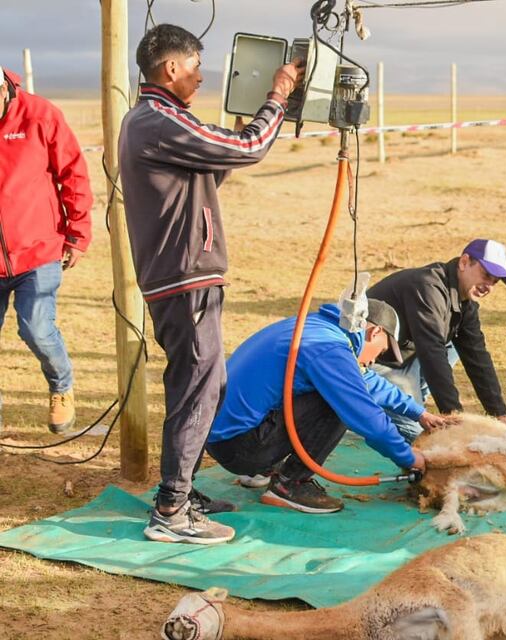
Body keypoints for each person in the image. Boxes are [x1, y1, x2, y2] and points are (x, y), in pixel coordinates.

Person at [120, 24, 303, 544]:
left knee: (202, 384)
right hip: (183, 277)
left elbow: (212, 165)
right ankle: (172, 512)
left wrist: (242, 134)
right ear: (171, 67)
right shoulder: (156, 120)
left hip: (183, 275)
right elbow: (246, 149)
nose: (202, 76)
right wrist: (277, 97)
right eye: (196, 65)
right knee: (198, 388)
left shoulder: (164, 119)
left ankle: (182, 488)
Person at [205, 299, 440, 514]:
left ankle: (261, 470)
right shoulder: (328, 347)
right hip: (241, 447)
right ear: (374, 332)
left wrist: (419, 413)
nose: (373, 361)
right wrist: (409, 458)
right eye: (382, 351)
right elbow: (366, 415)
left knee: (335, 390)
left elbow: (365, 380)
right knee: (338, 402)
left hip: (222, 436)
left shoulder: (319, 329)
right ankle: (290, 485)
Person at [367, 239, 506, 441]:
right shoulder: (427, 286)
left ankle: (497, 429)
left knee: (457, 345)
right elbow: (432, 353)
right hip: (372, 365)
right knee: (423, 438)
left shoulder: (466, 303)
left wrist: (499, 414)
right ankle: (383, 408)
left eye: (495, 282)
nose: (488, 286)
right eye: (486, 275)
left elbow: (477, 357)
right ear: (464, 262)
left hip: (405, 358)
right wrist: (454, 417)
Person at [0, 65, 92, 435]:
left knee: (36, 327)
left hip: (37, 251)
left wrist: (79, 231)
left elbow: (74, 173)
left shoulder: (40, 115)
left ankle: (61, 387)